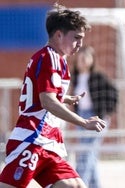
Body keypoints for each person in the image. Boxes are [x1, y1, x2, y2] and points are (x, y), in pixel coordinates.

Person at [0, 4, 107, 188]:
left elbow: (41, 94)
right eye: (77, 38)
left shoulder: (57, 59)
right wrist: (83, 122)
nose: (80, 44)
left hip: (48, 142)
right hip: (32, 139)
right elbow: (47, 101)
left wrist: (65, 98)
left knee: (76, 186)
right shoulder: (49, 58)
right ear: (59, 35)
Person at [70, 45, 118, 188]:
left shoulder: (99, 77)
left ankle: (79, 183)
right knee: (90, 154)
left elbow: (113, 94)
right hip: (82, 118)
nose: (83, 61)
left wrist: (105, 113)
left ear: (92, 60)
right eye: (81, 58)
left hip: (97, 117)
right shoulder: (76, 78)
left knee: (87, 152)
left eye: (86, 58)